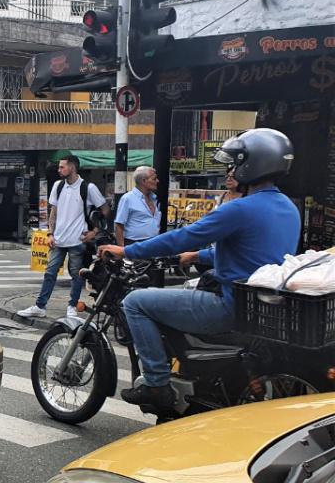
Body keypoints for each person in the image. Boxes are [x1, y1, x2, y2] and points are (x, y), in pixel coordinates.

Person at [98, 128, 300, 411]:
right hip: (258, 308)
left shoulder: (240, 209)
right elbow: (252, 255)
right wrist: (198, 256)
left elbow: (183, 237)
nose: (231, 170)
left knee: (135, 302)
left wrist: (127, 251)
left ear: (252, 164)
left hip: (228, 307)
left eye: (236, 163)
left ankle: (156, 384)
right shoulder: (289, 208)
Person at [17, 155, 106, 319]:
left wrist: (94, 232)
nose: (59, 170)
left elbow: (105, 210)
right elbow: (53, 212)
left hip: (78, 240)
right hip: (58, 240)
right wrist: (50, 233)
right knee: (50, 273)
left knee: (76, 275)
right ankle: (40, 306)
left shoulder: (88, 187)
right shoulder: (58, 186)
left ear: (72, 167)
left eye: (62, 167)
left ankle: (72, 306)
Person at [114, 166, 161, 246]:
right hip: (134, 244)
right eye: (154, 179)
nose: (157, 181)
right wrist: (122, 249)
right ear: (144, 181)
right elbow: (119, 225)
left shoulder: (154, 198)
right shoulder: (128, 198)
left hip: (154, 242)